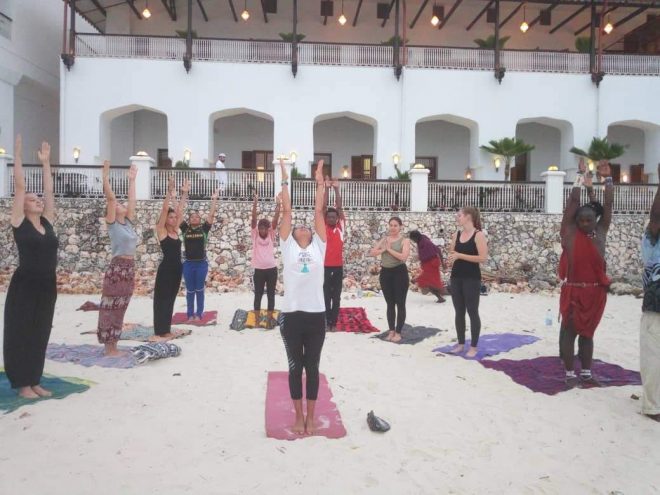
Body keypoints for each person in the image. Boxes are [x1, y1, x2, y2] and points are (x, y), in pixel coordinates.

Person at [3, 137, 58, 399]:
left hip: (48, 283)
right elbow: (20, 185)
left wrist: (46, 163)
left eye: (38, 199)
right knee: (21, 330)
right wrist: (17, 154)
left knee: (40, 330)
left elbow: (48, 191)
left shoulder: (47, 222)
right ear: (23, 205)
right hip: (25, 284)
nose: (37, 200)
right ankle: (22, 383)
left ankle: (34, 379)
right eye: (32, 199)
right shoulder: (19, 221)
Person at [278, 158, 327, 435]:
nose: (304, 227)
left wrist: (319, 182)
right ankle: (299, 415)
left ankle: (311, 415)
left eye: (307, 226)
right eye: (299, 227)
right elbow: (287, 210)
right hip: (292, 316)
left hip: (316, 315)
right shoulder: (288, 248)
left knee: (313, 366)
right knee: (296, 367)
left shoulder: (319, 246)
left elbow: (319, 210)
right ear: (293, 235)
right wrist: (285, 178)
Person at [558, 159, 613, 388]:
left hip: (595, 295)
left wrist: (608, 179)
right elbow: (572, 204)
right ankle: (570, 375)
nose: (585, 223)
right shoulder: (570, 234)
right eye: (581, 220)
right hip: (573, 293)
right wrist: (579, 178)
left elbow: (608, 207)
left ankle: (587, 374)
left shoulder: (601, 233)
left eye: (589, 219)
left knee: (588, 335)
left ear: (595, 221)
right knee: (569, 334)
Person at [97, 160, 138, 356]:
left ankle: (114, 343)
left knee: (121, 306)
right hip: (117, 268)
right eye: (118, 204)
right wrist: (105, 178)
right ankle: (108, 346)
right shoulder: (113, 224)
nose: (121, 204)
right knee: (109, 306)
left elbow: (132, 202)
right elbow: (112, 200)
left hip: (129, 268)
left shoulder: (128, 223)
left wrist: (132, 181)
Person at [447, 207, 488, 358]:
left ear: (468, 217)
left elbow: (483, 258)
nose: (457, 217)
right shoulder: (456, 234)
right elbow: (453, 254)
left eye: (459, 215)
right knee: (459, 311)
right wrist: (452, 258)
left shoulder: (479, 235)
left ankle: (474, 346)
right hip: (456, 276)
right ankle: (460, 343)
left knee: (472, 311)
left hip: (472, 278)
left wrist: (460, 255)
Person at [151, 177, 189, 341]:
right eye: (170, 217)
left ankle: (166, 329)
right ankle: (160, 330)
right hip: (166, 270)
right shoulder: (162, 231)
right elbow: (166, 209)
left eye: (174, 218)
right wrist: (169, 192)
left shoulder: (175, 230)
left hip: (177, 269)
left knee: (171, 299)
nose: (173, 219)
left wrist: (184, 194)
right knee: (162, 299)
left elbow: (179, 211)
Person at [179, 187, 219, 322]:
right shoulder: (185, 229)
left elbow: (211, 215)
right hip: (188, 264)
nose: (195, 217)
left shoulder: (204, 229)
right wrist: (182, 194)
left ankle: (199, 313)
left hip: (201, 264)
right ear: (189, 220)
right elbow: (178, 213)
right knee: (190, 291)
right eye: (192, 217)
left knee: (199, 289)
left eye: (197, 216)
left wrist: (214, 199)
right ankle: (190, 314)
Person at [369, 217, 411, 343]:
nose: (392, 228)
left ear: (400, 227)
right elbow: (372, 252)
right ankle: (391, 330)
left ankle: (398, 332)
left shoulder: (405, 240)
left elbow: (403, 257)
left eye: (395, 225)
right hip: (385, 273)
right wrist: (383, 249)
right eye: (391, 225)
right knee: (390, 304)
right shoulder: (384, 239)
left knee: (400, 303)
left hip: (400, 273)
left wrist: (389, 249)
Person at [640, 163, 660, 421]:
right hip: (655, 303)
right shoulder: (652, 240)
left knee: (653, 355)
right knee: (653, 356)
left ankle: (653, 403)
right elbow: (655, 218)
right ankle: (652, 405)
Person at [251, 189, 281, 324]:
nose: (262, 230)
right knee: (258, 294)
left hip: (271, 269)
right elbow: (253, 219)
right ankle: (257, 317)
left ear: (268, 228)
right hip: (259, 270)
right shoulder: (255, 234)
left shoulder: (271, 234)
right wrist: (255, 202)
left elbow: (275, 220)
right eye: (260, 228)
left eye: (265, 228)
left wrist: (279, 205)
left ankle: (270, 317)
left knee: (270, 295)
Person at [323, 179, 346, 331]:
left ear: (337, 218)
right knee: (325, 296)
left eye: (334, 217)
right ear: (326, 218)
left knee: (336, 297)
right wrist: (325, 188)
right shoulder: (322, 227)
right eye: (329, 217)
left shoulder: (340, 227)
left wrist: (336, 189)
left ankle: (333, 323)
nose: (331, 218)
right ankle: (326, 322)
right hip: (324, 268)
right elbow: (323, 207)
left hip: (338, 268)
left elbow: (339, 207)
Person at [409, 229, 446, 303]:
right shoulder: (420, 242)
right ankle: (440, 297)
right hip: (427, 264)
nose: (413, 241)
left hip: (432, 264)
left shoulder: (426, 242)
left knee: (428, 281)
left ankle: (416, 280)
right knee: (430, 283)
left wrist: (443, 263)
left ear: (416, 237)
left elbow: (438, 250)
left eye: (413, 239)